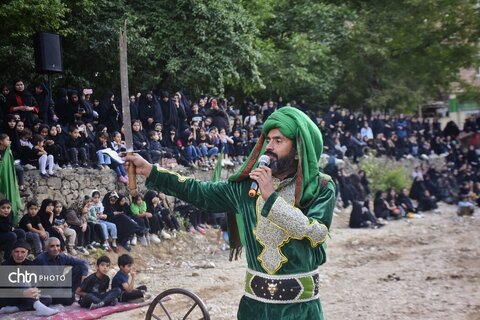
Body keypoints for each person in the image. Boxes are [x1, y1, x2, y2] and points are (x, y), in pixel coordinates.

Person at [124, 106, 335, 320]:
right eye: (268, 139)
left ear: (298, 149)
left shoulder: (320, 187)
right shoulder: (246, 187)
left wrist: (271, 197)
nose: (269, 147)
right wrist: (151, 171)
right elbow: (199, 192)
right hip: (254, 310)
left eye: (278, 141)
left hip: (300, 311)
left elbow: (317, 233)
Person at [0, 240, 58, 316]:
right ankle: (38, 307)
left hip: (25, 298)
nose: (19, 255)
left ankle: (16, 308)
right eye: (16, 252)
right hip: (9, 297)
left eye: (23, 252)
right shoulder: (4, 266)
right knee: (23, 283)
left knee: (48, 298)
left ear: (27, 253)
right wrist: (22, 293)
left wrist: (35, 290)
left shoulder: (30, 264)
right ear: (12, 252)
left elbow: (34, 283)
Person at [34, 237, 89, 305]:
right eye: (52, 246)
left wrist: (84, 276)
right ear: (46, 248)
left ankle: (69, 293)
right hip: (48, 289)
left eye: (58, 245)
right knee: (70, 298)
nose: (56, 249)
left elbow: (83, 262)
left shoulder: (62, 257)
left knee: (79, 268)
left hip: (60, 284)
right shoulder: (40, 259)